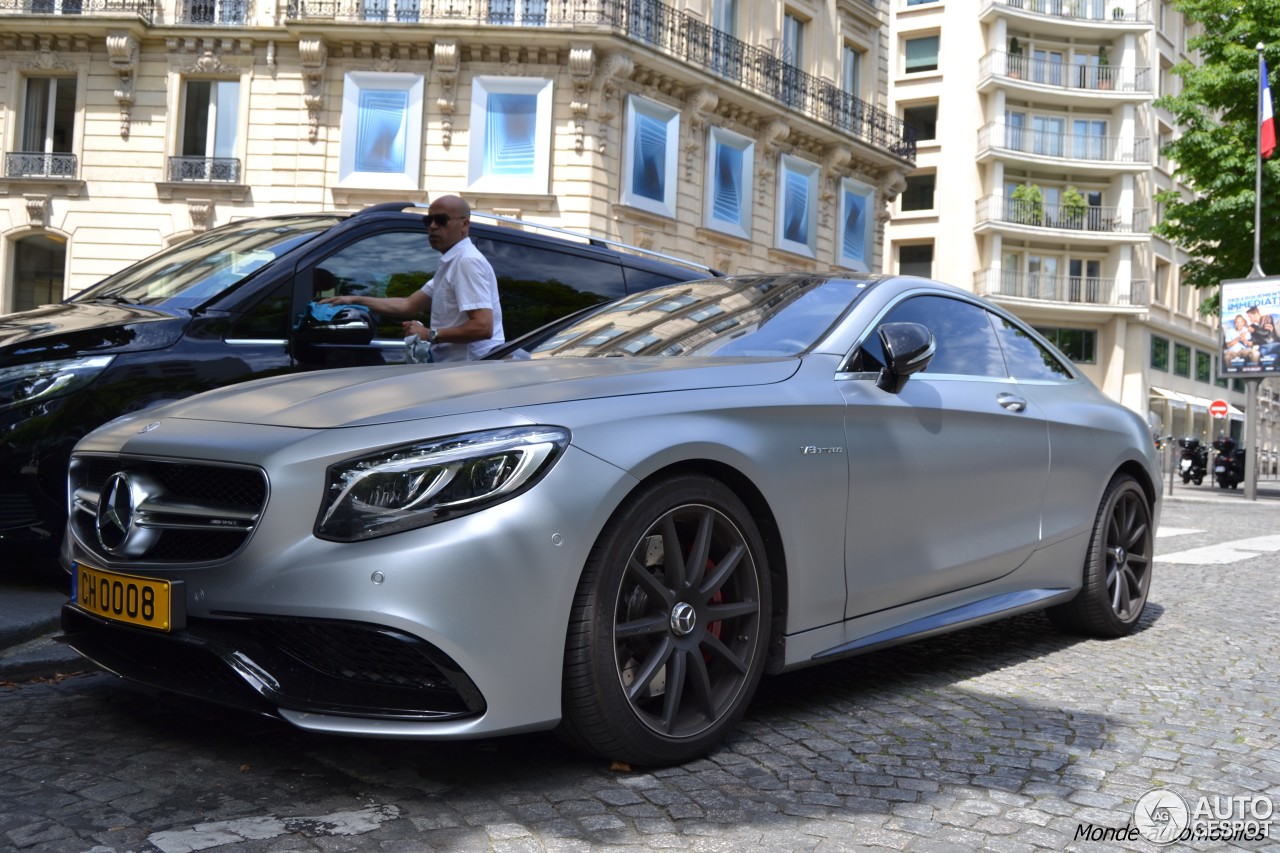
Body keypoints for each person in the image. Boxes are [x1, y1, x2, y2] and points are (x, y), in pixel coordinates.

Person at [323, 195, 504, 362]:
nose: (432, 226)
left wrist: (429, 334)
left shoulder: (467, 261)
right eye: (428, 220)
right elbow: (408, 305)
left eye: (441, 220)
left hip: (469, 373)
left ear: (464, 225)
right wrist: (352, 299)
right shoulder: (452, 262)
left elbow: (483, 327)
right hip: (456, 371)